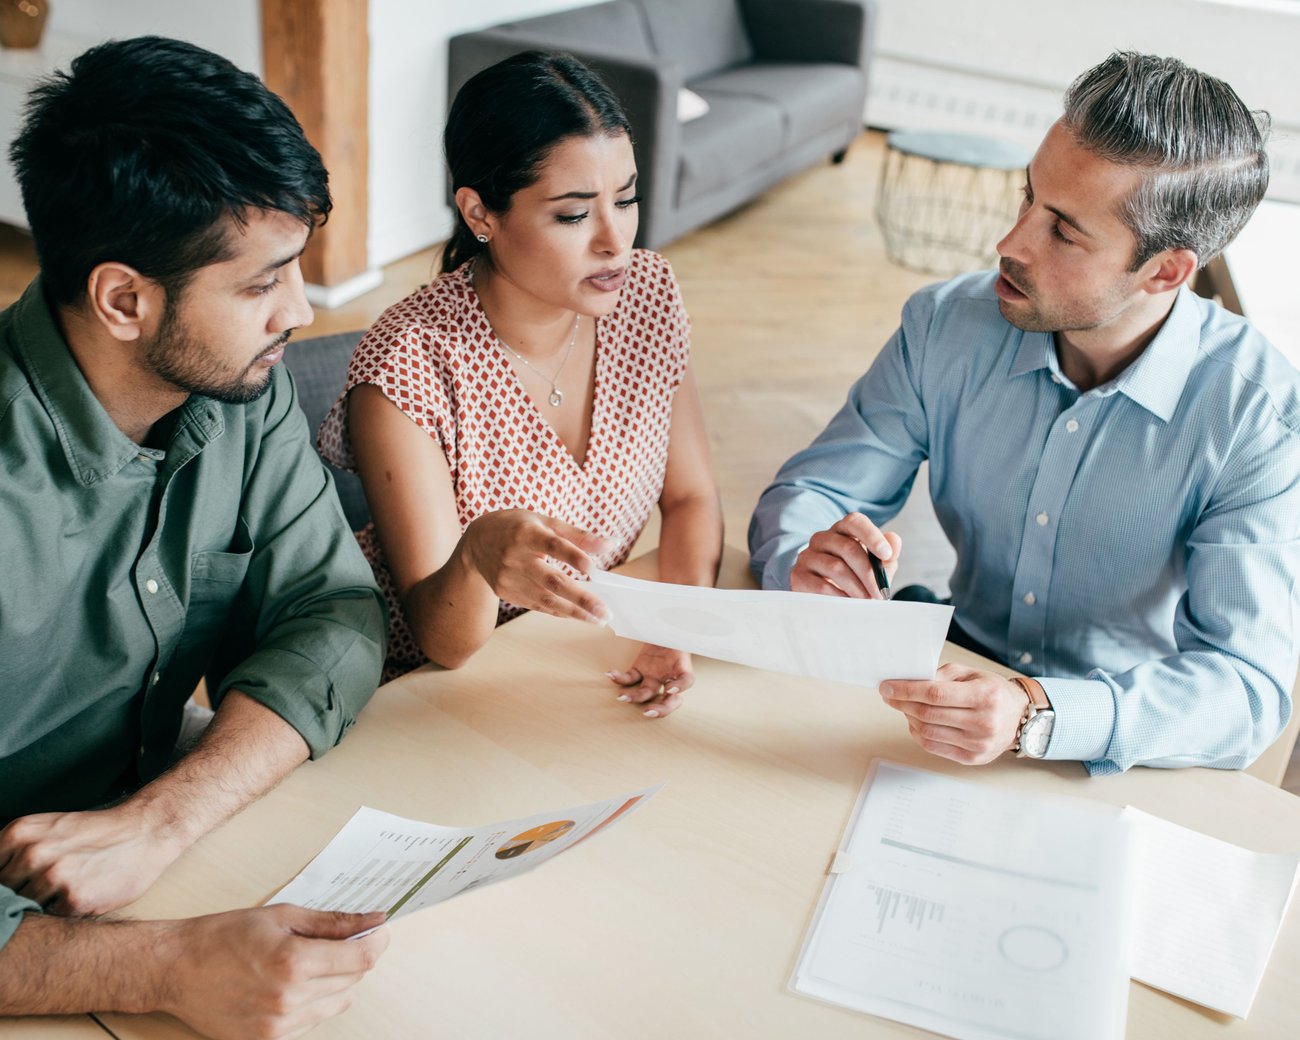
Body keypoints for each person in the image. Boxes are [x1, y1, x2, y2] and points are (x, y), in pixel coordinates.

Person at [749, 51, 1299, 775]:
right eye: (1027, 197)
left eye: (1064, 232)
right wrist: (806, 562)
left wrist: (1038, 714)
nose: (1007, 245)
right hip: (942, 684)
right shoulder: (944, 325)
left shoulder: (1258, 417)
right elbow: (813, 492)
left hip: (1118, 740)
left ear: (1165, 271)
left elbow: (1244, 686)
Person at [0, 36, 390, 1036]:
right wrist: (164, 966)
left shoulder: (235, 388)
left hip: (157, 857)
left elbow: (332, 610)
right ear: (124, 299)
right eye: (262, 284)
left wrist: (161, 819)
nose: (298, 311)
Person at [320, 51, 723, 715]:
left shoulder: (645, 294)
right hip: (419, 691)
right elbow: (442, 642)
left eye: (625, 200)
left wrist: (673, 630)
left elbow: (692, 497)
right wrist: (476, 558)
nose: (615, 241)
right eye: (573, 215)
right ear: (480, 213)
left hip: (570, 658)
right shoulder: (407, 362)